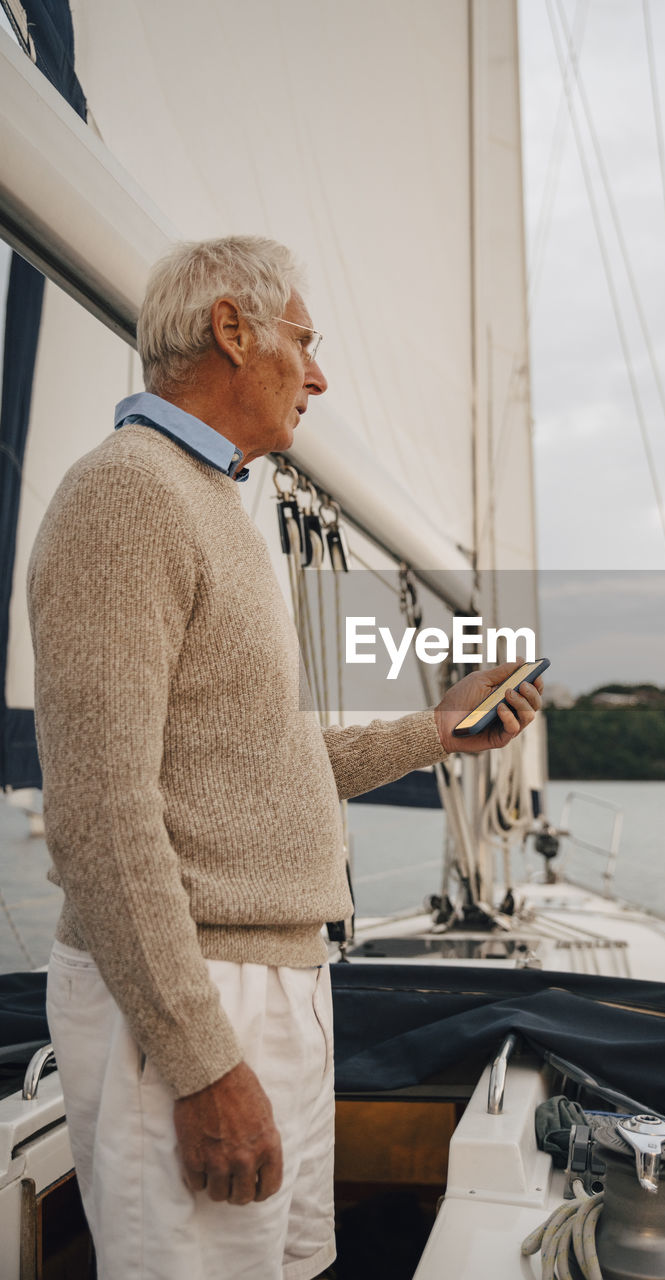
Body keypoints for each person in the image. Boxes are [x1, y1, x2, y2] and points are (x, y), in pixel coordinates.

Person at [27, 235, 544, 1280]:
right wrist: (202, 1059)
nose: (319, 374)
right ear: (231, 328)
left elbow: (256, 766)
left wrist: (434, 731)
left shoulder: (210, 501)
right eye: (305, 342)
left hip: (276, 978)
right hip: (194, 995)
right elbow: (100, 812)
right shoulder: (127, 495)